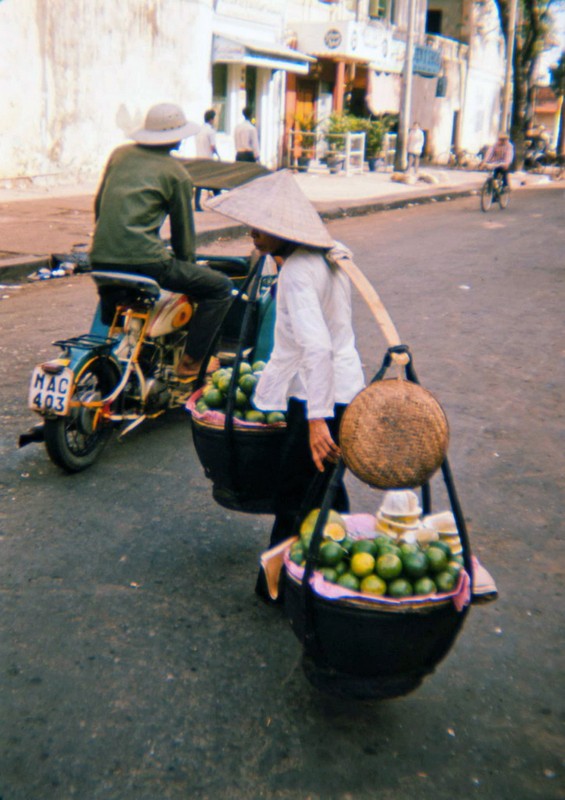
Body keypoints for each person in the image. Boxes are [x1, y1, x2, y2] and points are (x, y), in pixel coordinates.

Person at [207, 171, 365, 602]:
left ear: (283, 231)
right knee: (325, 486)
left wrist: (317, 422)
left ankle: (279, 589)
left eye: (261, 228)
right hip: (342, 389)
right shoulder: (329, 257)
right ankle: (333, 575)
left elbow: (316, 348)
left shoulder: (297, 272)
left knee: (295, 495)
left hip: (320, 396)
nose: (252, 234)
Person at [89, 102, 233, 379]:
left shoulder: (119, 154)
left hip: (101, 258)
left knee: (116, 311)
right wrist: (187, 266)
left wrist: (108, 241)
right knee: (219, 289)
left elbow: (99, 204)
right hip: (145, 262)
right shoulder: (176, 173)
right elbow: (183, 233)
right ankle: (192, 363)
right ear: (176, 137)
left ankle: (117, 359)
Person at [194, 108, 221, 212]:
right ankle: (217, 203)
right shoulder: (211, 131)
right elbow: (212, 147)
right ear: (211, 119)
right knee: (215, 182)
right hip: (208, 159)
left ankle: (197, 204)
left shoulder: (198, 130)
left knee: (198, 183)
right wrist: (218, 155)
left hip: (199, 158)